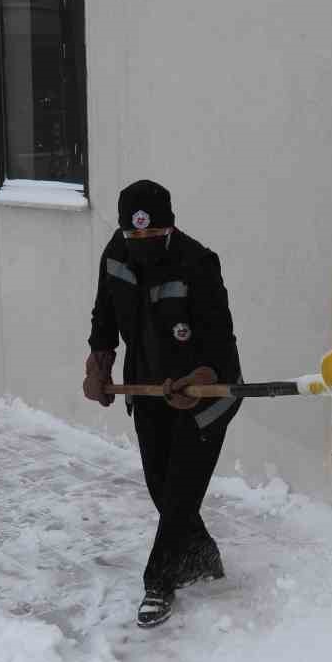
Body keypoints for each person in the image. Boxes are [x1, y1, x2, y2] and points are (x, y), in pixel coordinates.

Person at [84, 180, 242, 628]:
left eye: (153, 237)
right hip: (147, 389)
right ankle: (200, 555)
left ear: (169, 228)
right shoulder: (115, 256)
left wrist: (202, 377)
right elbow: (104, 318)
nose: (143, 246)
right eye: (135, 238)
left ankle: (159, 581)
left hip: (205, 396)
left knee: (178, 493)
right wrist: (98, 366)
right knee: (161, 486)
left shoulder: (197, 262)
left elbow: (219, 338)